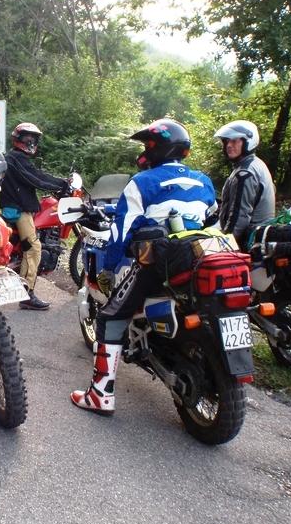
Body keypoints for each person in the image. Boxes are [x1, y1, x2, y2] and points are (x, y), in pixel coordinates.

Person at [70, 119, 217, 415]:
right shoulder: (204, 181)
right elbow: (212, 219)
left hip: (160, 262)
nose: (144, 153)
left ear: (156, 149)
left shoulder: (142, 182)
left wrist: (108, 270)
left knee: (111, 317)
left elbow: (121, 233)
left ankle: (101, 395)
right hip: (203, 257)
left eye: (146, 146)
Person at [0, 122, 69, 311]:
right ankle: (26, 294)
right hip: (18, 210)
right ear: (18, 139)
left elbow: (36, 174)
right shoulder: (16, 159)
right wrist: (61, 184)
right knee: (34, 247)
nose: (31, 141)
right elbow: (35, 178)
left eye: (33, 138)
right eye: (27, 138)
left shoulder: (16, 158)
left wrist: (58, 182)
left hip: (15, 207)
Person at [213, 120, 276, 245]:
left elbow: (239, 217)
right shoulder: (256, 164)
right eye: (227, 141)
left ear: (248, 142)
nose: (229, 145)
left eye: (235, 140)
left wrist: (225, 244)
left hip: (249, 241)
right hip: (260, 236)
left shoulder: (244, 173)